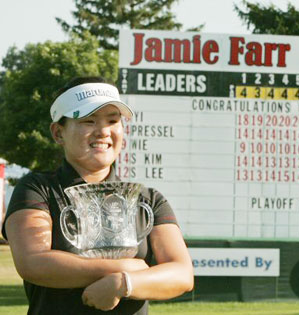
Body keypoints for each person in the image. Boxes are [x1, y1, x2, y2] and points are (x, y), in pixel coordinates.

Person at [1, 76, 194, 314]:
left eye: (113, 121)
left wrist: (122, 283)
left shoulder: (148, 199)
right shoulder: (37, 189)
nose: (103, 131)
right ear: (58, 133)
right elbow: (33, 262)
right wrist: (125, 266)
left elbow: (182, 274)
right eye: (88, 121)